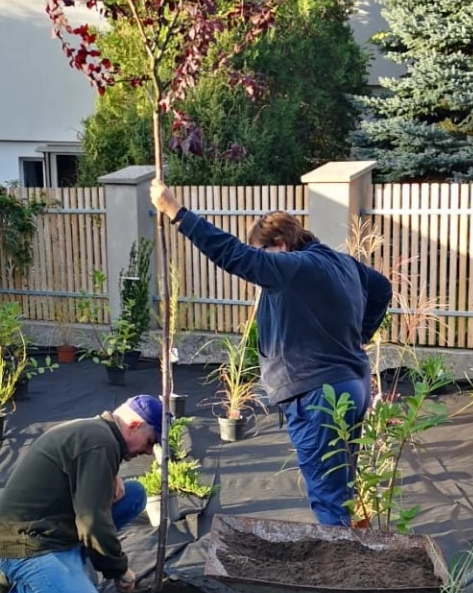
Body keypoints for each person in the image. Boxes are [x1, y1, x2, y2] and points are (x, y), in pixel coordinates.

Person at [150, 180, 392, 526]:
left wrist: (176, 211)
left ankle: (337, 567)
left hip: (317, 393)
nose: (260, 268)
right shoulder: (342, 263)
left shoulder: (294, 267)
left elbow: (233, 254)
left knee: (328, 496)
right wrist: (358, 337)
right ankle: (346, 554)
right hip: (352, 384)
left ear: (279, 244)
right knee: (341, 484)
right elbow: (382, 287)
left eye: (263, 254)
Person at [0, 396, 163, 593]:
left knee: (134, 495)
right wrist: (119, 569)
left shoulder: (98, 432)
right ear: (134, 425)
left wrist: (111, 474)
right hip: (25, 544)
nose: (149, 451)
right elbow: (92, 522)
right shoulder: (99, 444)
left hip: (53, 527)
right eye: (151, 441)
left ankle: (71, 564)